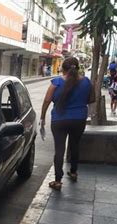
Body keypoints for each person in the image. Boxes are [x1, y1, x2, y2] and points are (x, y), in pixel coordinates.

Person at [40, 57, 95, 191]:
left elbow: (47, 101)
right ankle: (74, 172)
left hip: (59, 120)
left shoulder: (56, 83)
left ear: (63, 69)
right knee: (75, 145)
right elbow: (92, 99)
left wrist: (42, 117)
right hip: (79, 119)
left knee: (59, 149)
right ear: (77, 68)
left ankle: (58, 181)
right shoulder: (87, 82)